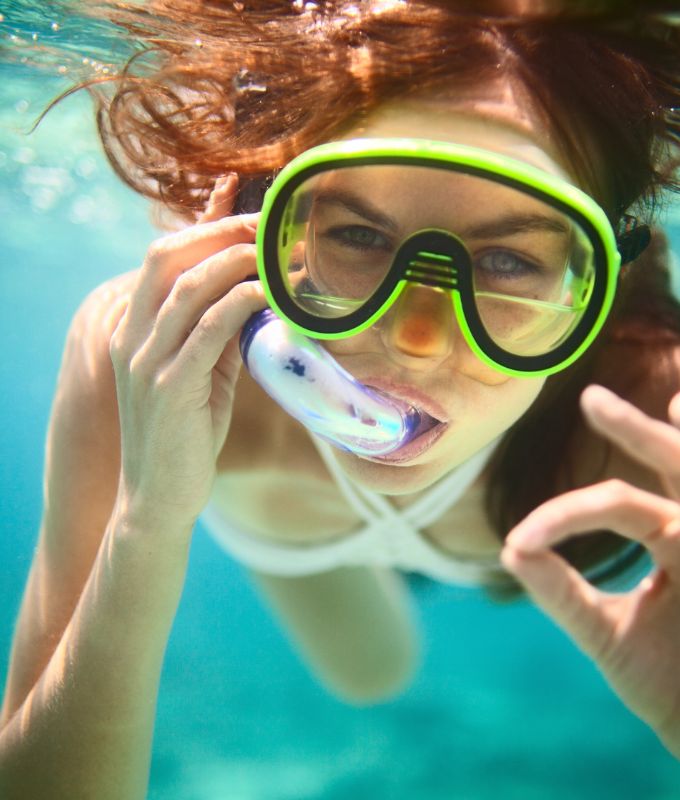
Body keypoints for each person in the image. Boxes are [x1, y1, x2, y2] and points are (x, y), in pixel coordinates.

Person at [2, 0, 680, 796]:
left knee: (373, 673)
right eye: (358, 236)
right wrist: (147, 520)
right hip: (294, 534)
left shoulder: (649, 408)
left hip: (423, 524)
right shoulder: (154, 354)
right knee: (371, 673)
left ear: (598, 276)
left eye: (507, 264)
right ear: (259, 229)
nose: (417, 338)